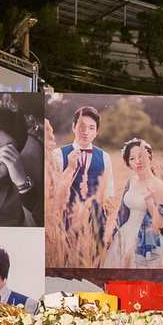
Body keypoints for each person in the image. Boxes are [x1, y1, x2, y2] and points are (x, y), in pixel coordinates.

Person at [54, 105, 114, 263]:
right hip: (67, 221)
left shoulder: (105, 157)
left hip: (96, 223)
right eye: (81, 126)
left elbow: (109, 194)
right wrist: (70, 168)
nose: (85, 132)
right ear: (74, 127)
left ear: (96, 132)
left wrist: (108, 225)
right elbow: (53, 193)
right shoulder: (59, 154)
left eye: (91, 128)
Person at [102, 138, 163, 269]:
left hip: (147, 240)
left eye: (140, 156)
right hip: (125, 235)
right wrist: (111, 234)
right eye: (132, 159)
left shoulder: (158, 185)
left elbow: (160, 224)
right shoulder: (131, 181)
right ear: (128, 163)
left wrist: (150, 203)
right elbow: (122, 213)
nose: (138, 161)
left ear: (149, 156)